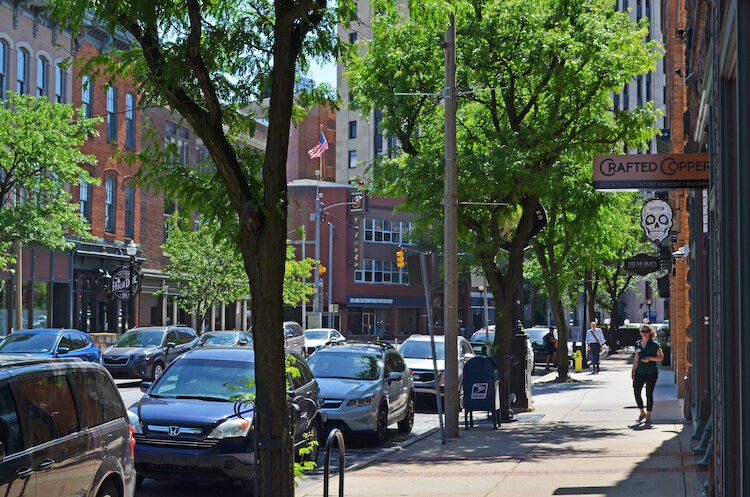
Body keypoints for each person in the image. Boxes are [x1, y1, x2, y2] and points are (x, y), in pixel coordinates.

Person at [632, 324, 664, 425]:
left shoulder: (654, 345)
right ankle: (642, 412)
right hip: (639, 372)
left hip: (651, 372)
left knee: (649, 394)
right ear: (640, 333)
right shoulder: (638, 344)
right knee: (637, 392)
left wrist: (650, 359)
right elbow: (636, 358)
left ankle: (649, 415)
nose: (644, 333)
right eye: (643, 331)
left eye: (646, 331)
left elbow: (661, 357)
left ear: (650, 333)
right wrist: (633, 371)